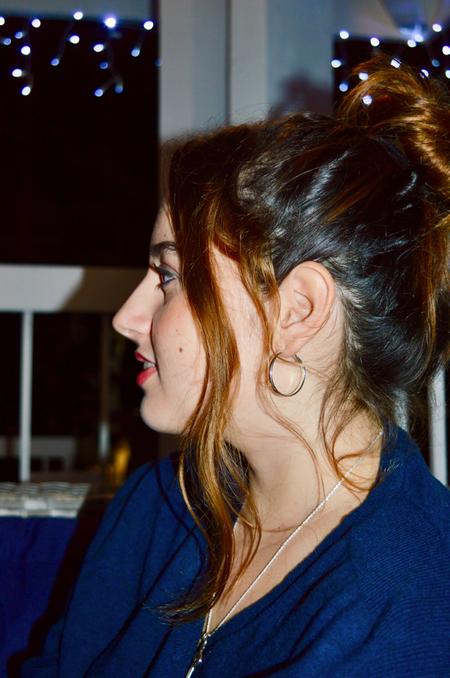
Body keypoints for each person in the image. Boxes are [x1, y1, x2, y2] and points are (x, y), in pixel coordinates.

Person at [21, 56, 449, 677]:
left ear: (297, 310)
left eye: (169, 276)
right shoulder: (160, 507)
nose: (126, 317)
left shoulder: (412, 606)